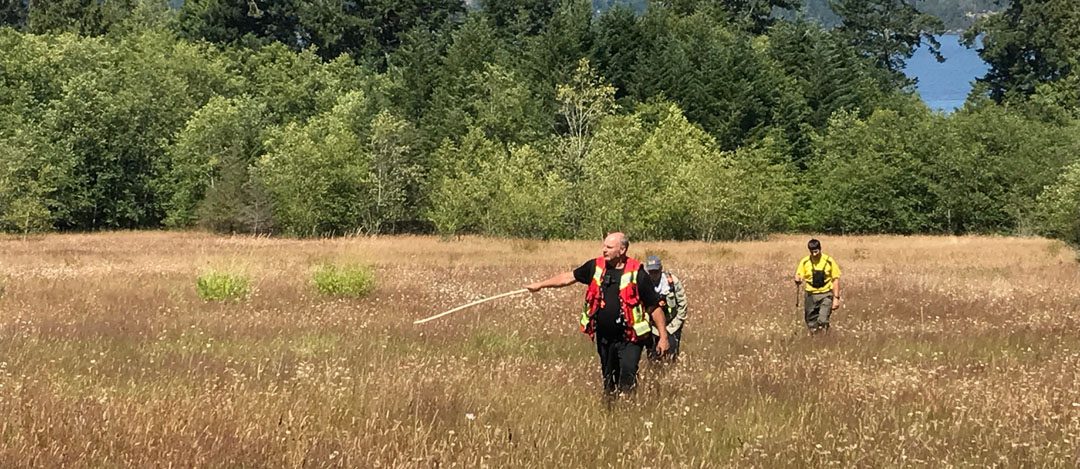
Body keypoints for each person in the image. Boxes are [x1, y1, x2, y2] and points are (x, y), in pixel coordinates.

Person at [525, 232, 670, 395]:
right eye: (604, 246)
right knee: (609, 380)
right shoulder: (595, 267)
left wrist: (663, 338)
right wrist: (540, 285)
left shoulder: (638, 273)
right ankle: (610, 409)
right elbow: (567, 278)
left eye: (609, 247)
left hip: (631, 338)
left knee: (628, 376)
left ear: (622, 250)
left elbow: (654, 307)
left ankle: (628, 410)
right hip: (605, 338)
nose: (604, 250)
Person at [643, 255, 687, 362]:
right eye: (651, 272)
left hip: (672, 326)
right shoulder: (643, 284)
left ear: (661, 269)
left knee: (671, 357)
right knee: (653, 357)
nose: (653, 274)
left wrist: (672, 328)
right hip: (652, 328)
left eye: (656, 271)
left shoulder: (672, 282)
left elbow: (682, 306)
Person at [794, 238, 842, 333]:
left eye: (816, 251)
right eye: (812, 252)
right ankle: (817, 339)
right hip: (811, 295)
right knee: (810, 321)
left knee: (823, 319)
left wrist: (836, 298)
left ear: (820, 249)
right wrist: (797, 279)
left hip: (826, 294)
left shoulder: (829, 261)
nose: (814, 254)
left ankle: (825, 332)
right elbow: (799, 274)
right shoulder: (805, 262)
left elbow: (835, 279)